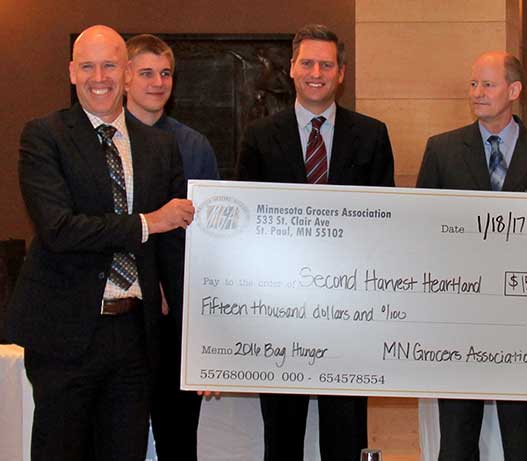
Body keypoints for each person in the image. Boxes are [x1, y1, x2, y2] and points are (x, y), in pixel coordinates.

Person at [5, 25, 194, 461]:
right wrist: (147, 223)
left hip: (133, 336)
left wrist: (198, 341)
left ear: (126, 72)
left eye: (110, 65)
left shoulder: (159, 147)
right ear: (72, 72)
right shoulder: (44, 136)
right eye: (87, 66)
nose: (99, 77)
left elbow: (173, 251)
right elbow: (59, 228)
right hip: (63, 333)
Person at [236, 24, 395, 461]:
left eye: (326, 64)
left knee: (345, 438)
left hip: (350, 315)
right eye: (307, 62)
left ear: (341, 73)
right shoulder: (259, 136)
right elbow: (243, 226)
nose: (316, 72)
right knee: (282, 439)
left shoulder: (372, 135)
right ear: (291, 69)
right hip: (279, 312)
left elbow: (387, 226)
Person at [416, 51, 527, 461]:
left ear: (514, 90)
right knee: (455, 443)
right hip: (457, 320)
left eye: (487, 84)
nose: (477, 93)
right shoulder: (442, 150)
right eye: (473, 84)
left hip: (524, 326)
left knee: (523, 443)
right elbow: (421, 234)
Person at [124, 33, 219, 461]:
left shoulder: (194, 145)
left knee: (178, 438)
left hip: (176, 320)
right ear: (124, 78)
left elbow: (209, 240)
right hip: (119, 318)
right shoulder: (102, 143)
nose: (158, 82)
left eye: (165, 73)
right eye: (146, 73)